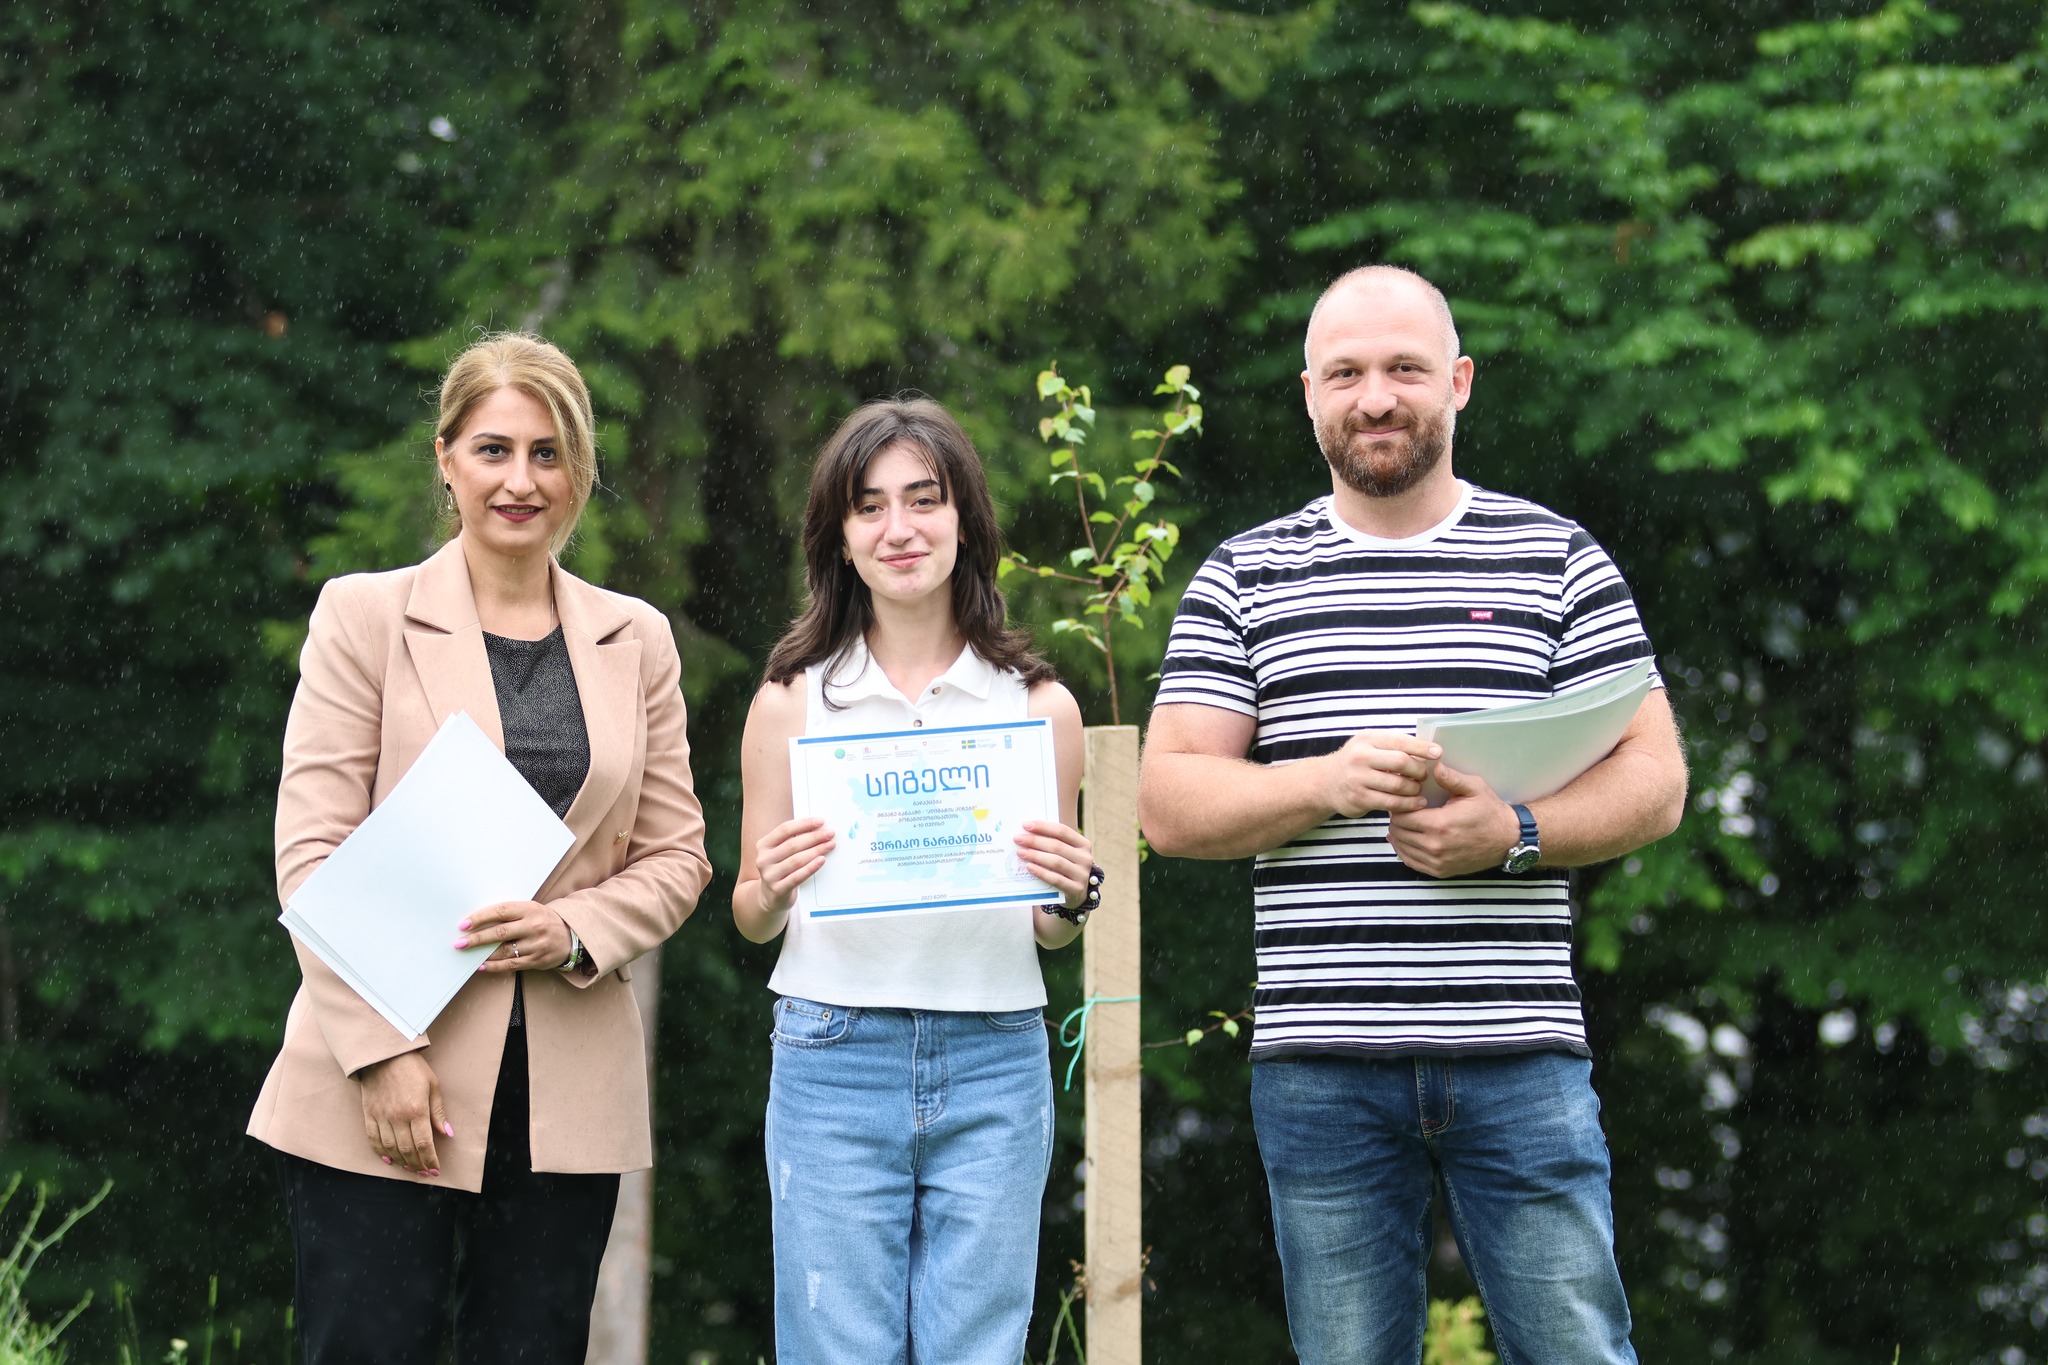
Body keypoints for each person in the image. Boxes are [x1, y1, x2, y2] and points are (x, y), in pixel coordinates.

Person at [1138, 266, 1687, 1364]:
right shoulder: (1244, 575)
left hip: (1518, 1050)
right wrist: (1322, 783)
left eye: (1404, 369)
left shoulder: (1556, 558)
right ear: (1308, 394)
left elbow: (1658, 781)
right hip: (1322, 1062)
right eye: (1345, 374)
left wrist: (1516, 835)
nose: (1376, 398)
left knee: (1576, 1350)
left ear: (1460, 382)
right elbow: (1168, 803)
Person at [247, 332, 713, 1365]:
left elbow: (678, 855)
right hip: (379, 1071)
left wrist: (572, 928)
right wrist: (382, 1052)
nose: (520, 480)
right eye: (494, 450)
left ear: (579, 471)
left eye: (548, 454)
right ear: (446, 459)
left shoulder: (637, 638)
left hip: (564, 1091)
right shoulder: (363, 616)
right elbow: (312, 852)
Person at [732, 397, 1101, 1365]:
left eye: (923, 499)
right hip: (832, 1050)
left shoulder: (1040, 706)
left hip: (995, 1052)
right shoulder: (789, 702)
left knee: (977, 1349)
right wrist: (770, 885)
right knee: (834, 1347)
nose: (898, 528)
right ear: (839, 538)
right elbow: (750, 916)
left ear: (965, 521)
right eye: (869, 506)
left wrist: (1071, 895)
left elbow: (1049, 927)